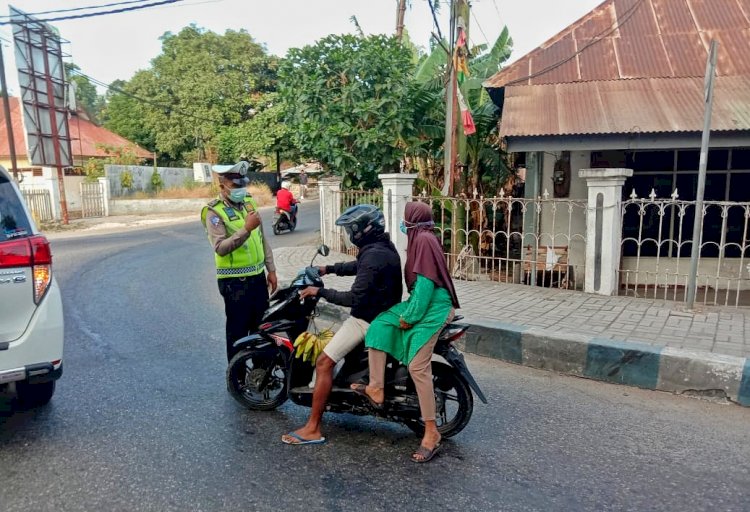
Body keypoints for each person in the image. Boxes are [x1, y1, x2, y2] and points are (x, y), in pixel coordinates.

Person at [281, 204, 402, 445]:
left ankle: (313, 428)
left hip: (366, 320)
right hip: (382, 313)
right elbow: (358, 267)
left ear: (364, 230)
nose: (349, 233)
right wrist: (329, 269)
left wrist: (320, 291)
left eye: (351, 229)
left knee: (324, 362)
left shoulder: (374, 254)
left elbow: (353, 298)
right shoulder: (381, 248)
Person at [353, 201, 460, 463]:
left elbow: (424, 284)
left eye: (405, 218)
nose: (403, 223)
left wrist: (410, 317)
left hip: (433, 307)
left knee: (418, 368)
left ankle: (432, 433)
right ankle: (377, 385)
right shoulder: (422, 236)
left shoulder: (422, 240)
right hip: (422, 302)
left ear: (413, 219)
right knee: (380, 325)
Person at [201, 161, 278, 362]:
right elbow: (220, 247)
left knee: (262, 327)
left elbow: (262, 238)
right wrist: (246, 229)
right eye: (236, 186)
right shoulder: (214, 212)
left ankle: (261, 374)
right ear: (222, 186)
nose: (241, 189)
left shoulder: (249, 204)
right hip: (235, 283)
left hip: (257, 279)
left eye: (243, 185)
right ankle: (238, 378)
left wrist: (271, 269)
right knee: (238, 331)